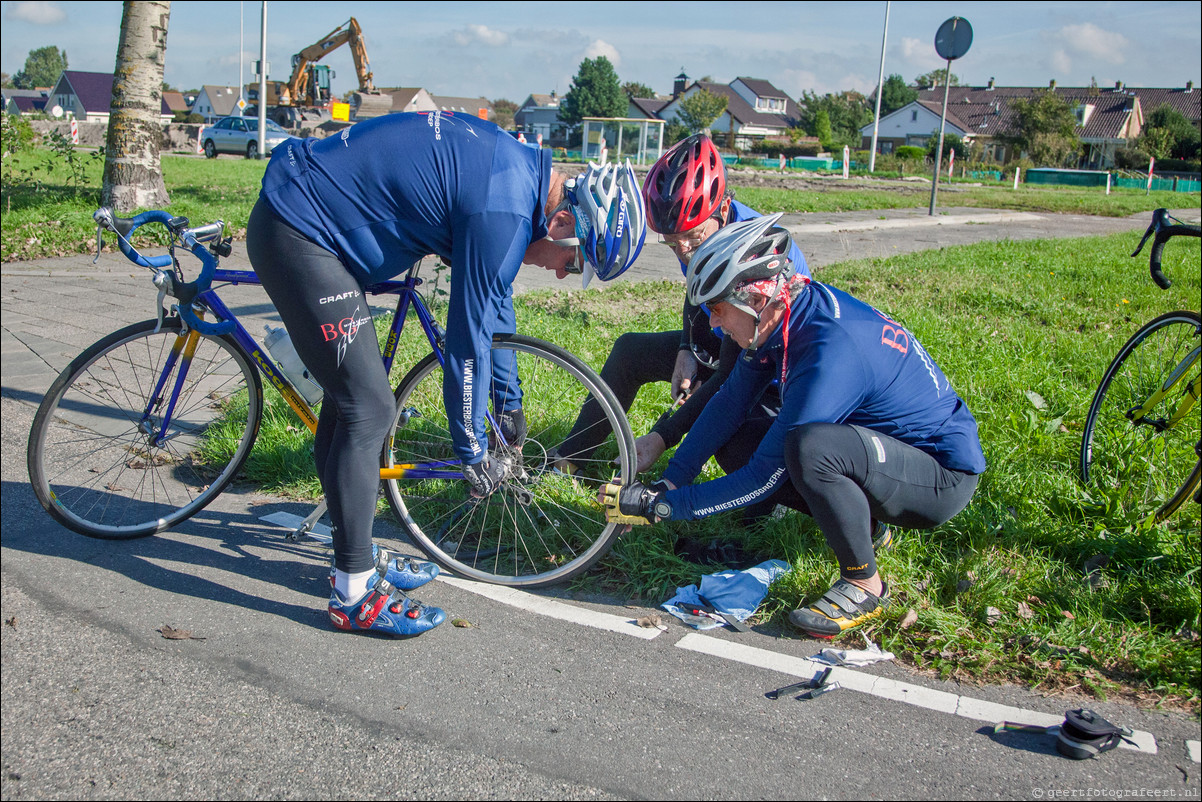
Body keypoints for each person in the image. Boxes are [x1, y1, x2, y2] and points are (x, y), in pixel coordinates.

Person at [247, 111, 646, 636]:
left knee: (351, 405)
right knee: (369, 410)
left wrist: (508, 402)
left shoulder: (518, 173)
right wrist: (472, 445)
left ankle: (355, 553)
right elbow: (468, 342)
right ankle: (352, 593)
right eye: (573, 263)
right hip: (300, 229)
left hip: (312, 214)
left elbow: (494, 303)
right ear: (563, 223)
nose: (559, 272)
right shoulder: (502, 208)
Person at [601, 214, 985, 638]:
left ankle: (864, 582)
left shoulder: (829, 351)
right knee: (738, 438)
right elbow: (729, 402)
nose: (712, 324)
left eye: (717, 309)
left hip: (940, 477)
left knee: (810, 448)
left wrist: (664, 507)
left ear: (758, 301)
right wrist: (671, 484)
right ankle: (869, 528)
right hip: (884, 452)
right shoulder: (785, 312)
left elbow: (764, 478)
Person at [555, 134, 810, 486]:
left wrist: (662, 436)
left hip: (769, 374)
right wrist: (687, 348)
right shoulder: (700, 236)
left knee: (732, 445)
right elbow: (697, 290)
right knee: (630, 351)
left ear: (722, 210)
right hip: (731, 333)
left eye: (693, 238)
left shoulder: (755, 254)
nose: (685, 251)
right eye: (673, 243)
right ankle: (569, 457)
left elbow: (731, 376)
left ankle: (780, 493)